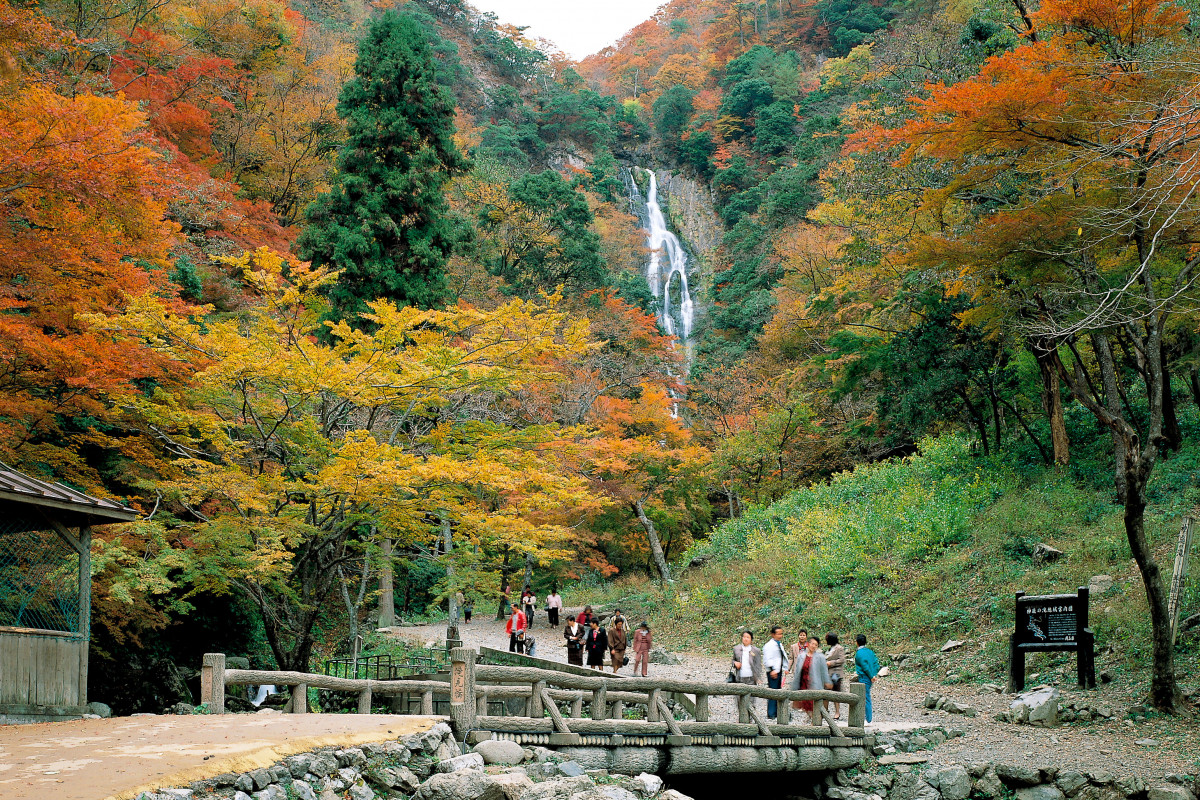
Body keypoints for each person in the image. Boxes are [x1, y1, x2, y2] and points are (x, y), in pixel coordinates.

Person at [790, 636, 832, 724]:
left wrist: (827, 681)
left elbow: (824, 670)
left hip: (814, 684)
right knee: (805, 704)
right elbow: (797, 670)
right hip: (803, 683)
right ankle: (813, 719)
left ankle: (815, 721)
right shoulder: (801, 656)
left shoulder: (820, 657)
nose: (813, 646)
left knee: (813, 704)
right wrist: (794, 684)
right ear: (808, 644)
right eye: (812, 643)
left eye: (816, 645)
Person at [763, 625, 790, 721]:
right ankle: (771, 713)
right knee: (772, 692)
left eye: (781, 633)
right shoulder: (768, 645)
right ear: (773, 634)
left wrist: (785, 668)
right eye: (779, 634)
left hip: (778, 670)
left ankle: (777, 712)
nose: (780, 635)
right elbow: (767, 658)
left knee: (778, 691)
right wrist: (771, 669)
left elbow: (782, 657)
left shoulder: (779, 644)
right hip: (773, 671)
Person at [854, 633, 880, 724]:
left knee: (865, 697)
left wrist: (871, 676)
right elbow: (876, 664)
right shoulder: (870, 652)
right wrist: (874, 674)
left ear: (857, 642)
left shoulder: (859, 653)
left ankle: (868, 719)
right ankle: (865, 717)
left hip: (864, 677)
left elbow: (865, 666)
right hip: (870, 677)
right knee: (865, 696)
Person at [825, 632, 846, 720]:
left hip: (836, 674)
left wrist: (831, 663)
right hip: (827, 674)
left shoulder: (839, 648)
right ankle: (825, 711)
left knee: (836, 693)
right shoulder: (830, 649)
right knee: (825, 693)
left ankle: (837, 712)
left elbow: (841, 660)